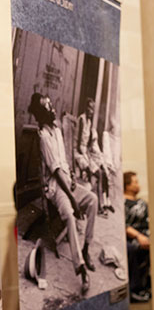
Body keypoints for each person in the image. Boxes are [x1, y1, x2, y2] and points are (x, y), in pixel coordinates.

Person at [28, 92, 97, 294]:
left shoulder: (57, 130)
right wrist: (74, 202)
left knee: (92, 200)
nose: (52, 108)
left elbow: (64, 163)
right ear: (41, 113)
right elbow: (56, 172)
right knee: (69, 214)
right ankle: (81, 267)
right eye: (47, 106)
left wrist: (73, 176)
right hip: (57, 188)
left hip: (68, 182)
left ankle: (86, 247)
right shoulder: (43, 136)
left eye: (51, 104)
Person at [75, 98, 114, 216]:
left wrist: (93, 158)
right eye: (90, 108)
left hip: (85, 153)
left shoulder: (89, 122)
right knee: (98, 174)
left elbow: (88, 144)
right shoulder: (81, 120)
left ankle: (101, 204)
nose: (92, 111)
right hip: (78, 153)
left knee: (102, 172)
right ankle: (98, 207)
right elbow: (78, 145)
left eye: (93, 109)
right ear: (86, 108)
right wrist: (86, 159)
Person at [124, 171, 151, 302]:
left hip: (147, 234)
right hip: (132, 237)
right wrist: (139, 236)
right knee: (133, 249)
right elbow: (124, 225)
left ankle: (149, 285)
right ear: (127, 185)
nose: (138, 185)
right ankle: (135, 289)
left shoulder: (142, 202)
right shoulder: (122, 203)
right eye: (135, 182)